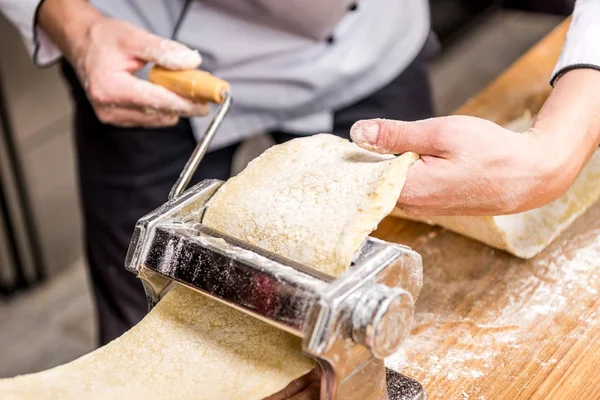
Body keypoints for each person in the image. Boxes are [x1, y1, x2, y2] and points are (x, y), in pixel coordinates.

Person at [0, 0, 598, 347]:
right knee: (148, 330)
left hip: (365, 42)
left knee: (386, 303)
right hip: (146, 48)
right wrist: (72, 24)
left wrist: (558, 145)